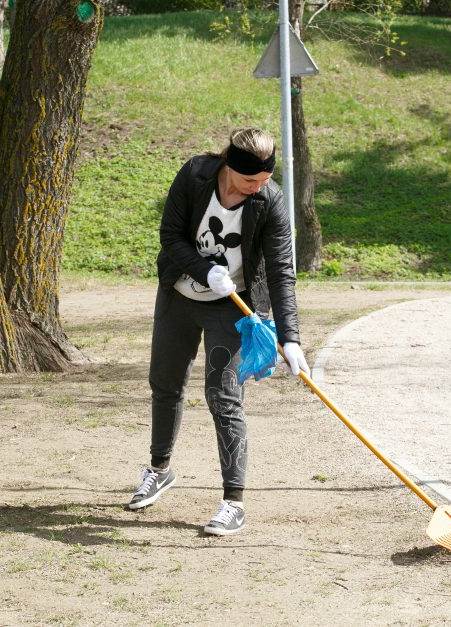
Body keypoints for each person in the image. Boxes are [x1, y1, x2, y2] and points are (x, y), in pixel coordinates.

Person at [128, 127, 309, 536]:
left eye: (263, 181)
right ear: (229, 167)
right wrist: (205, 269)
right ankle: (159, 470)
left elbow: (281, 271)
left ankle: (233, 502)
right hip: (180, 295)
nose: (256, 189)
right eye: (249, 181)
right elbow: (170, 237)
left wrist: (291, 337)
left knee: (224, 396)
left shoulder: (270, 200)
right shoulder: (194, 175)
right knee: (166, 384)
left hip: (232, 307)